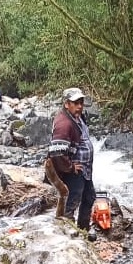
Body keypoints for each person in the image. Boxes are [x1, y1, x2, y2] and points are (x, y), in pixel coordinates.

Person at [48, 87, 96, 240]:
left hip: (84, 169)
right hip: (74, 171)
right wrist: (70, 167)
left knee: (89, 197)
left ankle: (83, 231)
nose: (80, 106)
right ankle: (67, 237)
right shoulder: (64, 124)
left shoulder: (78, 117)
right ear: (67, 104)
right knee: (71, 203)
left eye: (81, 102)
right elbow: (56, 152)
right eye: (76, 103)